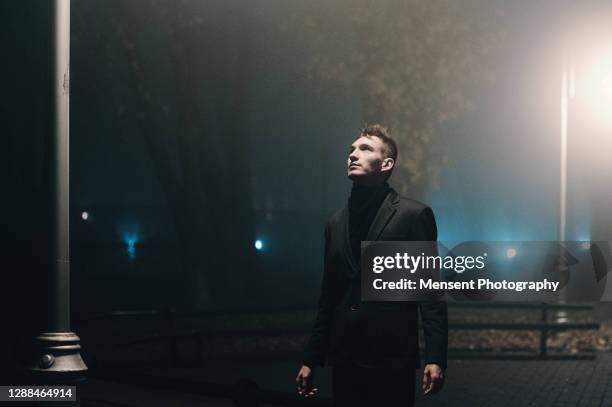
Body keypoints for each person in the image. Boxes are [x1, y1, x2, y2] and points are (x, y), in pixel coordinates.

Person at [295, 124, 448, 407]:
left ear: (386, 163)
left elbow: (428, 292)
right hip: (345, 359)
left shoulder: (412, 215)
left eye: (364, 148)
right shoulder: (335, 223)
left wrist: (436, 357)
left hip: (390, 359)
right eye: (351, 149)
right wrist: (311, 358)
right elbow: (329, 296)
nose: (353, 154)